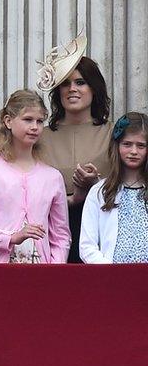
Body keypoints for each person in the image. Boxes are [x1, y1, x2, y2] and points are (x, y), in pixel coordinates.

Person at [0, 90, 70, 263]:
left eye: (40, 121)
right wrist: (10, 237)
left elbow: (61, 236)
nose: (35, 127)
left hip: (40, 275)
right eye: (28, 119)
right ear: (8, 121)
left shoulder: (53, 177)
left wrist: (54, 270)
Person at [36, 33, 112, 263]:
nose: (72, 89)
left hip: (101, 227)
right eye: (65, 83)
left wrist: (96, 186)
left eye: (80, 82)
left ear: (94, 88)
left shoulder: (113, 133)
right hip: (50, 229)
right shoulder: (40, 136)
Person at [79, 112, 148, 263]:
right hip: (113, 279)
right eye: (127, 144)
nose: (134, 151)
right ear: (116, 146)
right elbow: (87, 246)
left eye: (141, 145)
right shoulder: (100, 191)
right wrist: (109, 272)